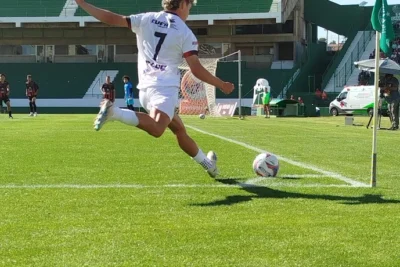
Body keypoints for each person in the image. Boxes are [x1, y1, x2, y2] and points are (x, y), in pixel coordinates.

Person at [76, 0, 235, 177]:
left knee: (179, 130)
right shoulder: (185, 32)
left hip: (145, 90)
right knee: (158, 128)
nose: (189, 12)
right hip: (164, 90)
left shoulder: (146, 18)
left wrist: (82, 3)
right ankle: (114, 112)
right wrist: (221, 84)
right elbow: (195, 69)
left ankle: (209, 165)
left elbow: (111, 18)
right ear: (183, 4)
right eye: (190, 7)